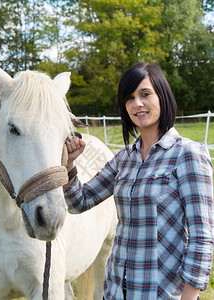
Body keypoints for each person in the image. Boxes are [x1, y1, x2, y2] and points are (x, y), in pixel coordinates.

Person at [64, 62, 213, 300]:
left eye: (145, 94)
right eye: (130, 98)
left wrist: (189, 296)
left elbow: (201, 236)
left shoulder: (187, 155)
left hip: (160, 293)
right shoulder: (124, 159)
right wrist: (69, 164)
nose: (137, 104)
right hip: (114, 291)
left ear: (162, 96)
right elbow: (79, 202)